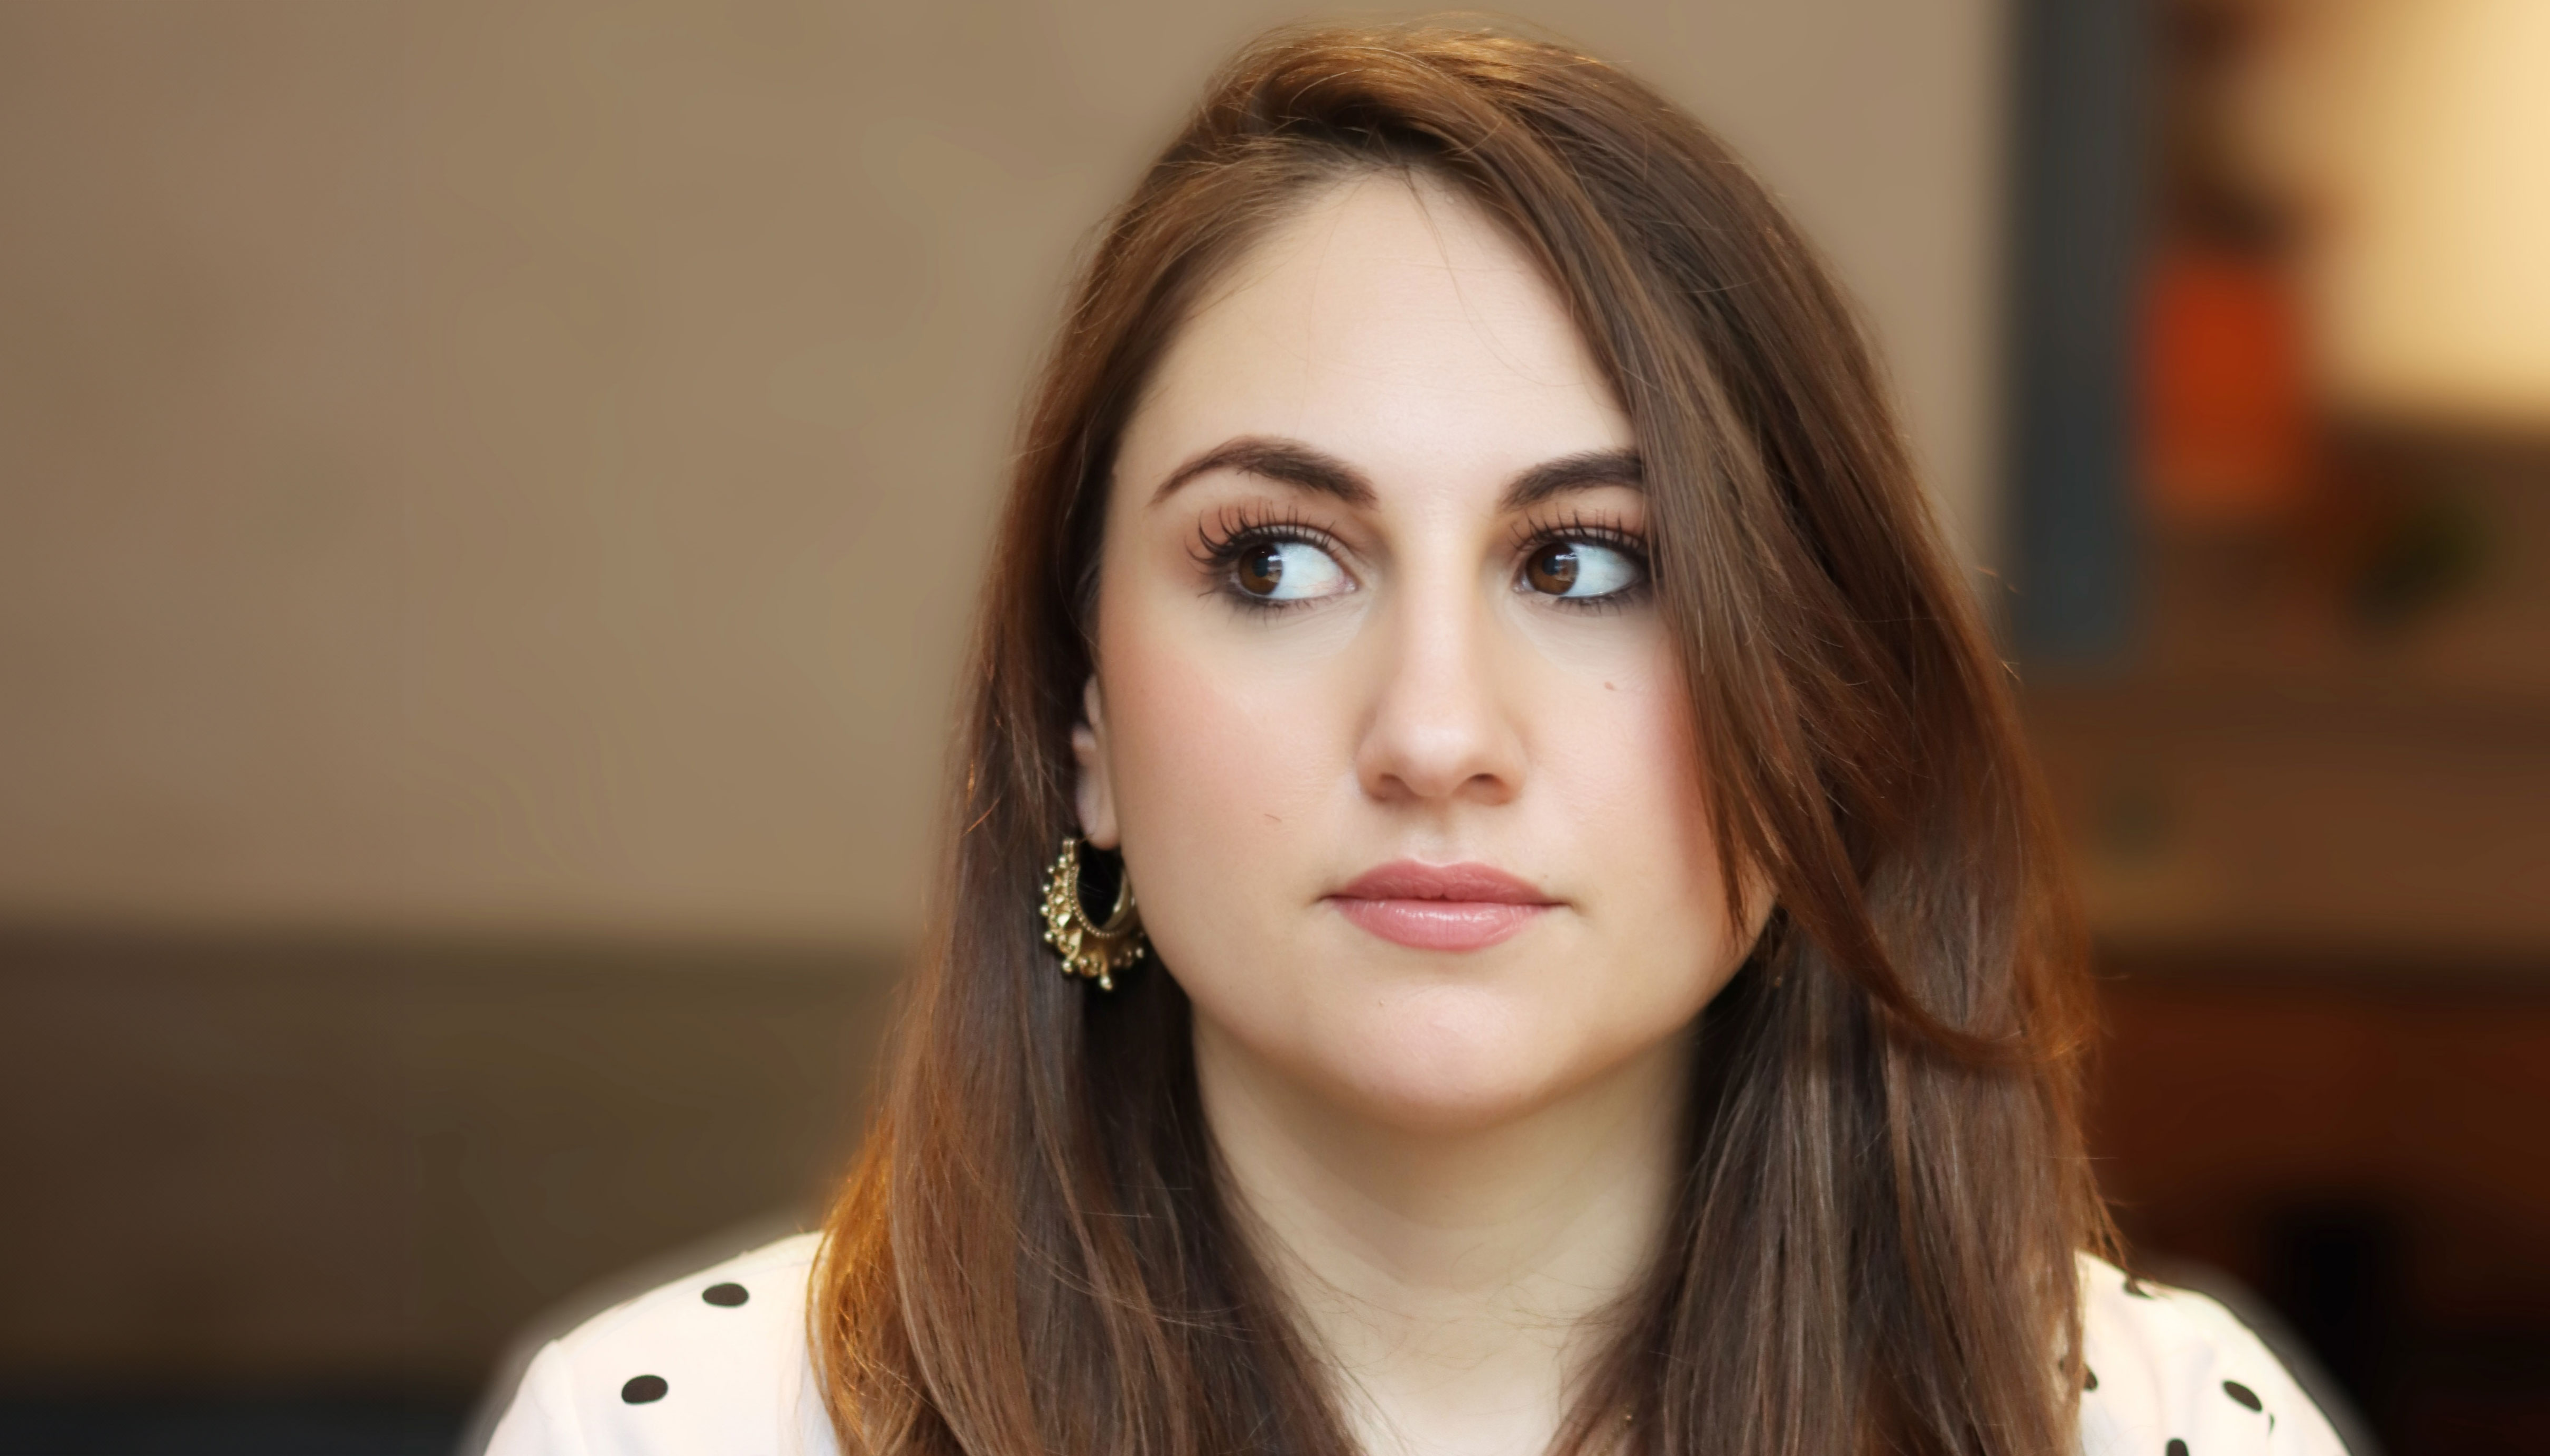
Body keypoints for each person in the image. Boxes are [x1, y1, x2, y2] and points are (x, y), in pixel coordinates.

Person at [482, 22, 2347, 1456]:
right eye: (1276, 562)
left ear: (1820, 706)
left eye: (1591, 561)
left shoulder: (2157, 1429)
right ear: (1085, 722)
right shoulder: (683, 1427)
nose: (1436, 732)